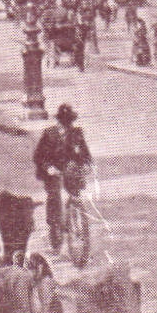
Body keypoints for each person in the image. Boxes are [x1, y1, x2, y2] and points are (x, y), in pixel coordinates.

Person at [33, 104, 92, 252]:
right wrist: (48, 168)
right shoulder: (49, 134)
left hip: (71, 172)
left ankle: (77, 221)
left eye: (69, 123)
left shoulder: (77, 134)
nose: (66, 126)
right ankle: (54, 232)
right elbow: (39, 156)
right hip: (54, 172)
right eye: (64, 123)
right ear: (59, 121)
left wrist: (86, 164)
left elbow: (85, 154)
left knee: (75, 194)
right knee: (54, 197)